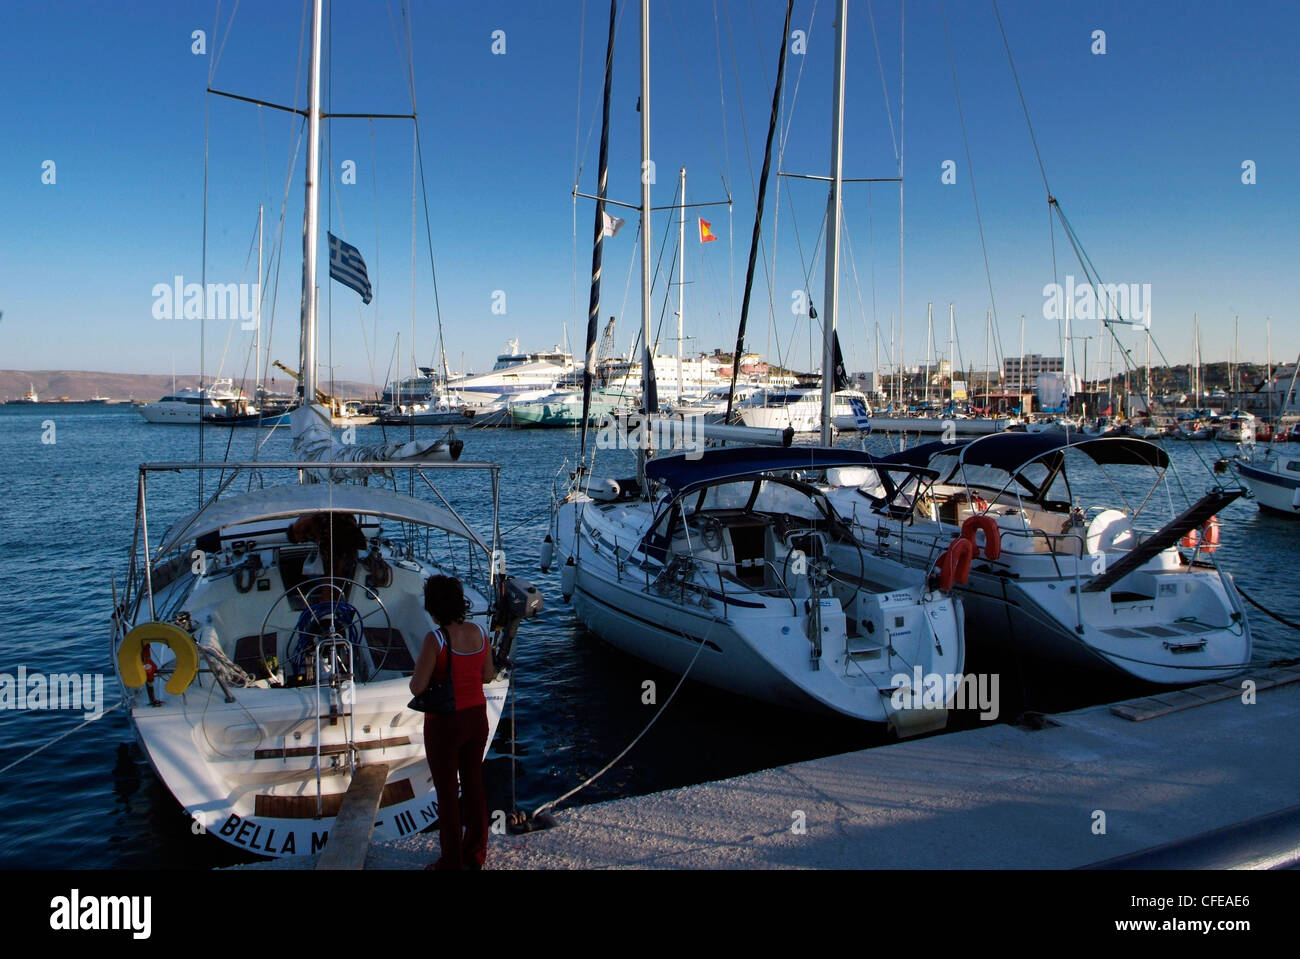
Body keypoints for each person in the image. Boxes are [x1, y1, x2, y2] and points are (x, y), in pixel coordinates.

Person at [410, 575, 495, 870]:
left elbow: (416, 687)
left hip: (444, 723)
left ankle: (452, 862)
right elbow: (487, 676)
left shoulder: (435, 640)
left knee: (447, 795)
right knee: (474, 787)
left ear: (433, 607)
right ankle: (475, 855)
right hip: (477, 719)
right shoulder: (480, 633)